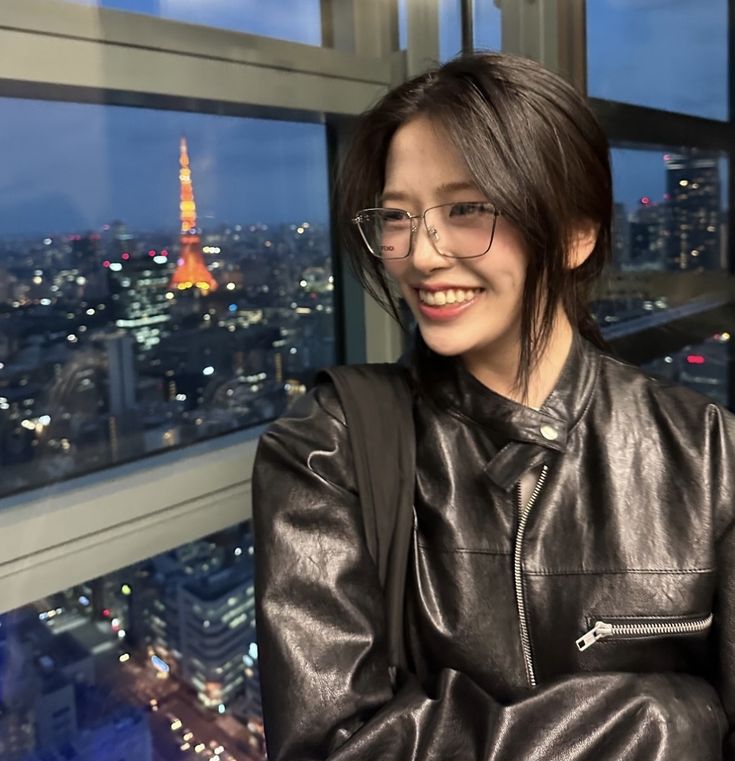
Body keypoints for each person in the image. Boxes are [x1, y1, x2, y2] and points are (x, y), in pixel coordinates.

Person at [252, 52, 735, 760]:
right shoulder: (331, 448)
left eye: (467, 209)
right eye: (396, 217)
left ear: (576, 232)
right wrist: (663, 718)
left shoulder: (708, 455)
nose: (420, 254)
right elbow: (331, 746)